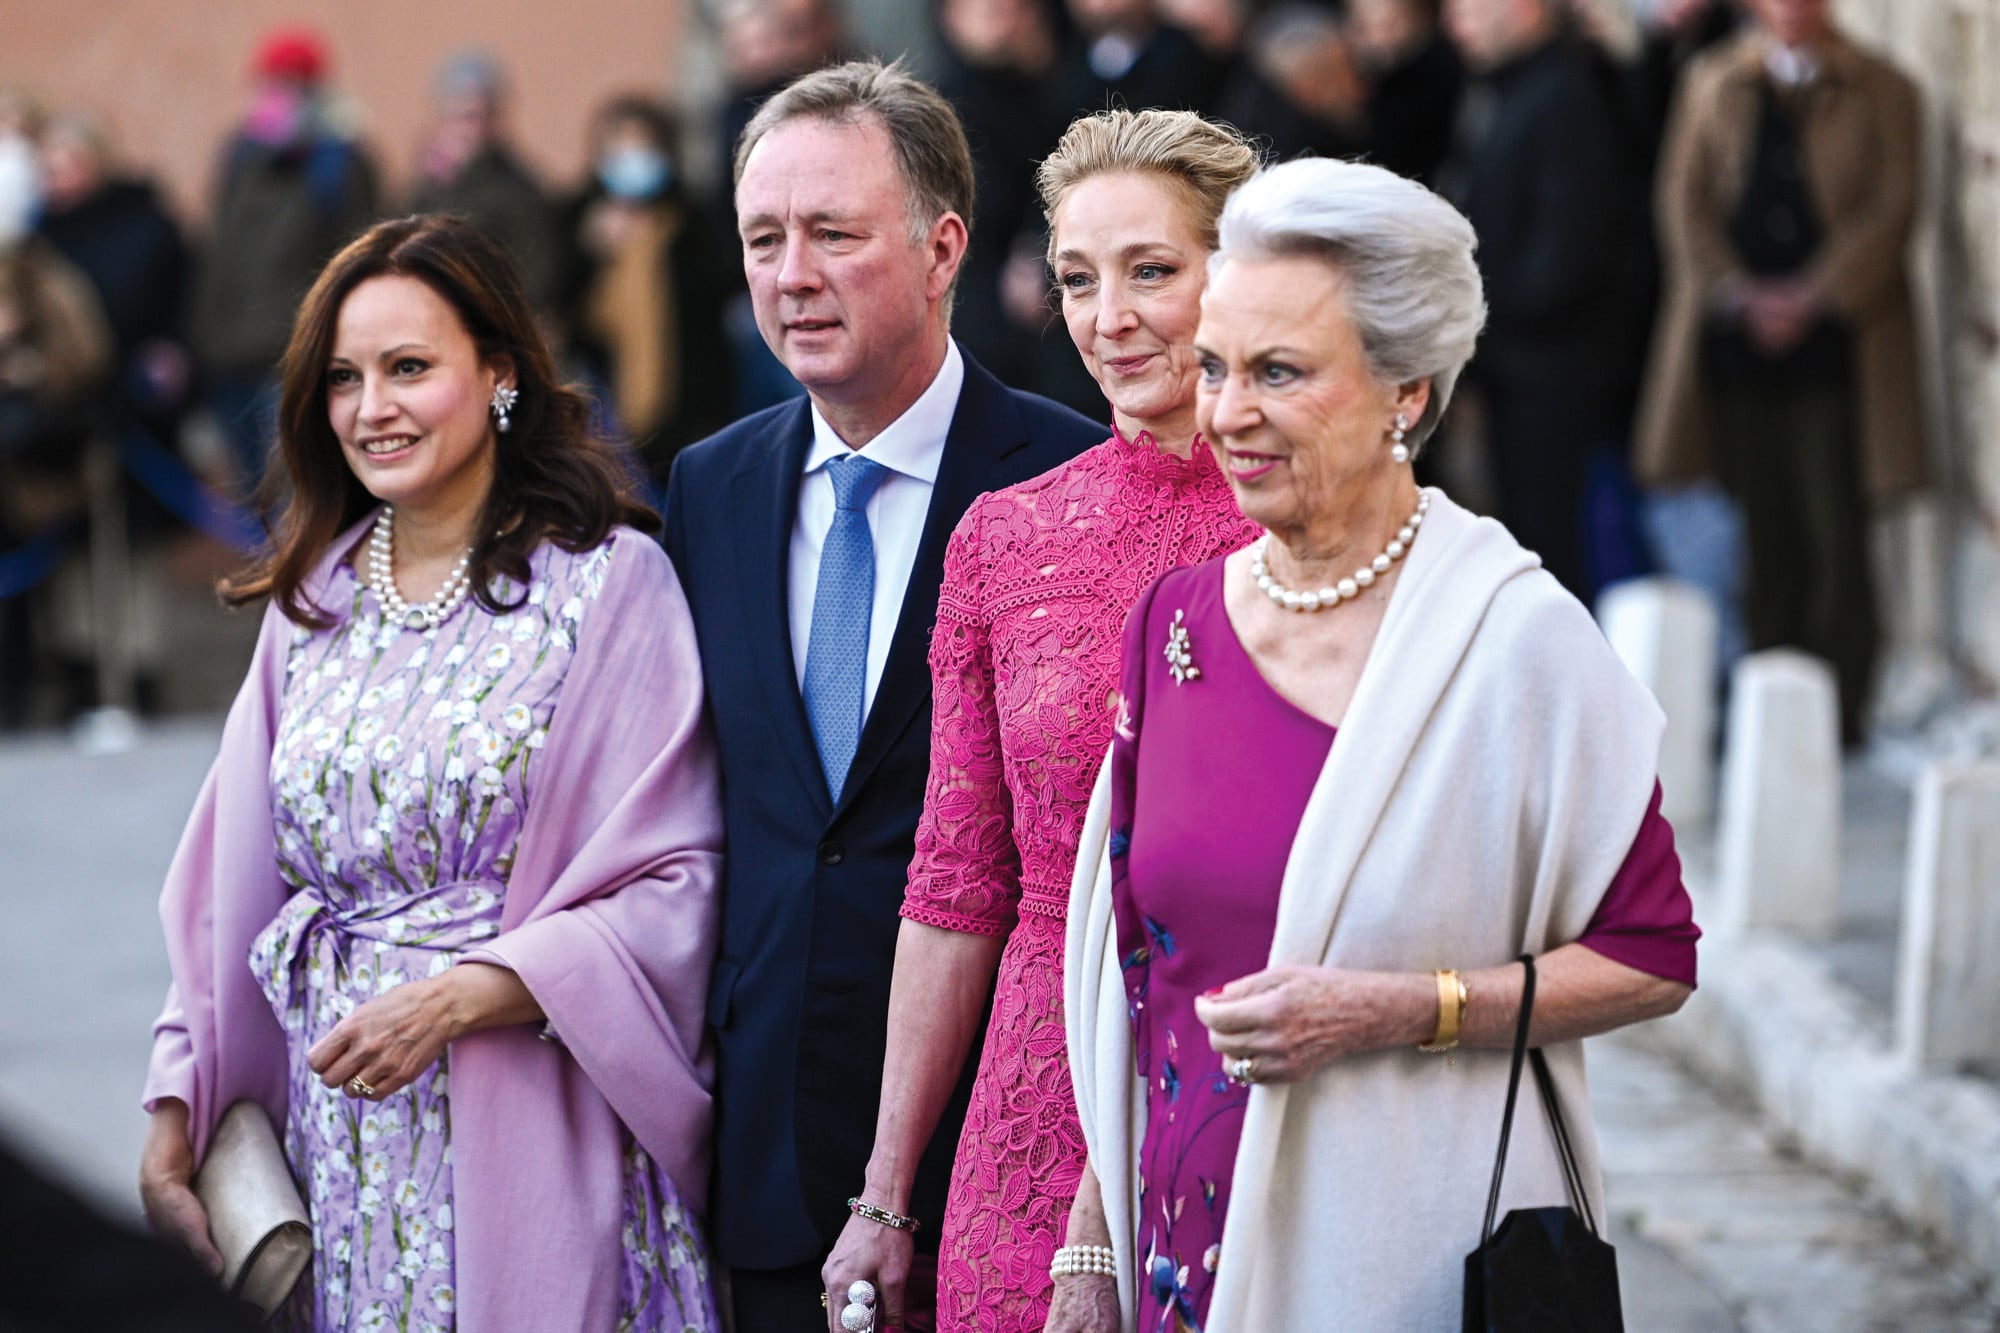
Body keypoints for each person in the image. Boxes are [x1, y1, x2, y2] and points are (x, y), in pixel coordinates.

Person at [1059, 157, 1701, 1331]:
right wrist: (1090, 1250)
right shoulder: (1173, 623)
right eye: (1213, 366)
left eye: (1279, 373)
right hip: (1176, 1262)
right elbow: (1137, 985)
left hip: (1403, 1259)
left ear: (1405, 391)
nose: (1226, 413)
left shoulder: (1511, 639)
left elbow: (1651, 954)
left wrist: (1402, 1008)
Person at [139, 215, 723, 1331]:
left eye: (409, 367)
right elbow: (225, 887)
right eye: (345, 379)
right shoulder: (313, 601)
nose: (372, 408)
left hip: (535, 1119)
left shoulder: (607, 587)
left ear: (498, 374)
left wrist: (473, 992)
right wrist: (180, 1092)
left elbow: (677, 883)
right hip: (341, 1144)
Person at [662, 59, 1103, 1331]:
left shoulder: (1069, 483)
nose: (790, 274)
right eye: (763, 239)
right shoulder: (710, 488)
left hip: (994, 1152)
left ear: (940, 247)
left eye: (832, 235)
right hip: (758, 1152)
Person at [821, 109, 1261, 1333]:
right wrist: (887, 1193)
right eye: (1076, 279)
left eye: (1150, 272)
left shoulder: (1309, 535)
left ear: (1242, 275)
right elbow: (959, 883)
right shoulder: (1003, 539)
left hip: (1246, 1094)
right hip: (1029, 1102)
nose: (1106, 318)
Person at [1634, 0, 1925, 741]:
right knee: (1759, 531)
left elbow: (1893, 207)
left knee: (1834, 524)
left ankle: (1840, 701)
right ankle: (1769, 696)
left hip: (1838, 349)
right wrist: (1736, 290)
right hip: (1738, 347)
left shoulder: (1885, 86)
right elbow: (1684, 198)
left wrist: (1818, 293)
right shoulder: (1713, 79)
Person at [1438, 0, 1646, 598]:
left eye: (1469, 8)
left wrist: (1473, 322)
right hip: (1520, 369)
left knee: (1558, 553)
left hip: (1557, 378)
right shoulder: (1511, 89)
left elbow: (1567, 254)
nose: (1457, 24)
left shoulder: (1564, 96)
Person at [189, 26, 379, 490]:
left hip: (291, 354)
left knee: (296, 489)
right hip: (227, 352)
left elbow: (356, 254)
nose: (275, 96)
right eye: (269, 83)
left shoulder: (340, 162)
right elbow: (220, 247)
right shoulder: (239, 156)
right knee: (247, 489)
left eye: (289, 84)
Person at [556, 96, 734, 487]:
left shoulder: (692, 220)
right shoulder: (575, 218)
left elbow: (714, 299)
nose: (632, 158)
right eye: (620, 147)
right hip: (603, 409)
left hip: (685, 410)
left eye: (644, 146)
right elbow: (560, 306)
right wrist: (593, 251)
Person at [407, 50, 560, 318]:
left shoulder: (517, 188)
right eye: (460, 116)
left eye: (481, 116)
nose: (471, 128)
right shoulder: (428, 183)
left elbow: (537, 274)